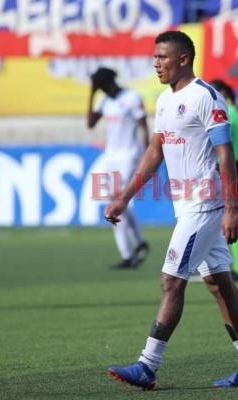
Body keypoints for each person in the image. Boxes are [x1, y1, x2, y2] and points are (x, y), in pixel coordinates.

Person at [104, 31, 238, 389]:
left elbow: (226, 156)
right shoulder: (164, 101)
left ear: (183, 59)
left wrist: (232, 208)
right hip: (187, 205)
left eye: (162, 57)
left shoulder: (206, 98)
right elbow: (153, 153)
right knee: (218, 283)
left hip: (206, 204)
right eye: (155, 57)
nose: (156, 63)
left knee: (171, 280)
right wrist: (124, 196)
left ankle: (147, 365)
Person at [87, 67, 150, 269]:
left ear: (110, 82)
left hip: (129, 156)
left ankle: (128, 254)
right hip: (110, 157)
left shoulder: (131, 97)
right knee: (117, 203)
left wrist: (146, 155)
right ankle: (139, 243)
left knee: (115, 204)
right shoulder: (103, 100)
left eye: (100, 86)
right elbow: (90, 123)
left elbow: (143, 126)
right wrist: (92, 93)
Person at [210, 79, 238, 283]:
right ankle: (223, 268)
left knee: (230, 216)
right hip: (230, 167)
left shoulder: (229, 113)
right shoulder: (231, 112)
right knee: (220, 218)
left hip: (229, 168)